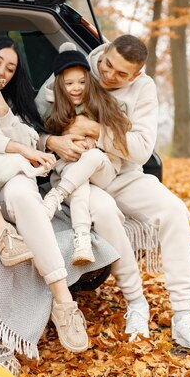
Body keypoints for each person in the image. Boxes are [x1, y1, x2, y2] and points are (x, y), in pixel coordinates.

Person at [36, 35, 190, 354]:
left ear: (135, 76)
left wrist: (96, 131)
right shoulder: (76, 72)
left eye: (121, 74)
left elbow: (141, 149)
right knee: (105, 212)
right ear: (104, 52)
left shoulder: (143, 89)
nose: (108, 75)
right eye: (107, 65)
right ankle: (136, 304)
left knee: (174, 211)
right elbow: (31, 124)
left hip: (123, 172)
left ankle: (183, 316)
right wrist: (51, 142)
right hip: (82, 179)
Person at [0, 37, 89, 353]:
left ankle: (63, 303)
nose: (1, 71)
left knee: (25, 195)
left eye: (10, 68)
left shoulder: (11, 102)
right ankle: (0, 230)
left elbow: (32, 140)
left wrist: (2, 109)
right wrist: (18, 147)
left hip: (11, 178)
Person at [41, 46, 131, 268]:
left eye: (81, 82)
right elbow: (49, 139)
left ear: (89, 80)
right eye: (69, 83)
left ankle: (56, 196)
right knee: (79, 183)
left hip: (102, 168)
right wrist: (70, 141)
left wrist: (95, 138)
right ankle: (82, 240)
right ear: (60, 84)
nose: (76, 88)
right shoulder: (54, 111)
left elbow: (122, 130)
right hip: (73, 171)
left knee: (89, 157)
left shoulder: (101, 103)